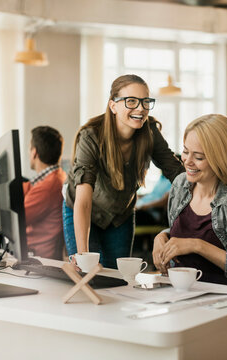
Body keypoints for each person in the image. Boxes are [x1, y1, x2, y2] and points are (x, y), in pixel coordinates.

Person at [63, 74, 184, 269]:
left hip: (120, 214)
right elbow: (84, 199)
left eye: (145, 101)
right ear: (113, 106)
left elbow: (176, 172)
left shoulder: (150, 132)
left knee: (118, 277)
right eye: (131, 101)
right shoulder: (91, 136)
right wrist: (82, 254)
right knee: (88, 272)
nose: (140, 108)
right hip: (83, 209)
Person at [152, 114, 227, 288]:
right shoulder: (180, 185)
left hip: (221, 300)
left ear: (221, 159)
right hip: (177, 293)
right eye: (185, 151)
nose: (187, 162)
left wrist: (198, 246)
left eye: (198, 157)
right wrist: (163, 235)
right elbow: (190, 229)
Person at [0, 126, 67, 260]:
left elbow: (8, 224)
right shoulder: (55, 176)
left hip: (34, 257)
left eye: (29, 148)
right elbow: (26, 187)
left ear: (34, 152)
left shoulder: (48, 187)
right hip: (26, 251)